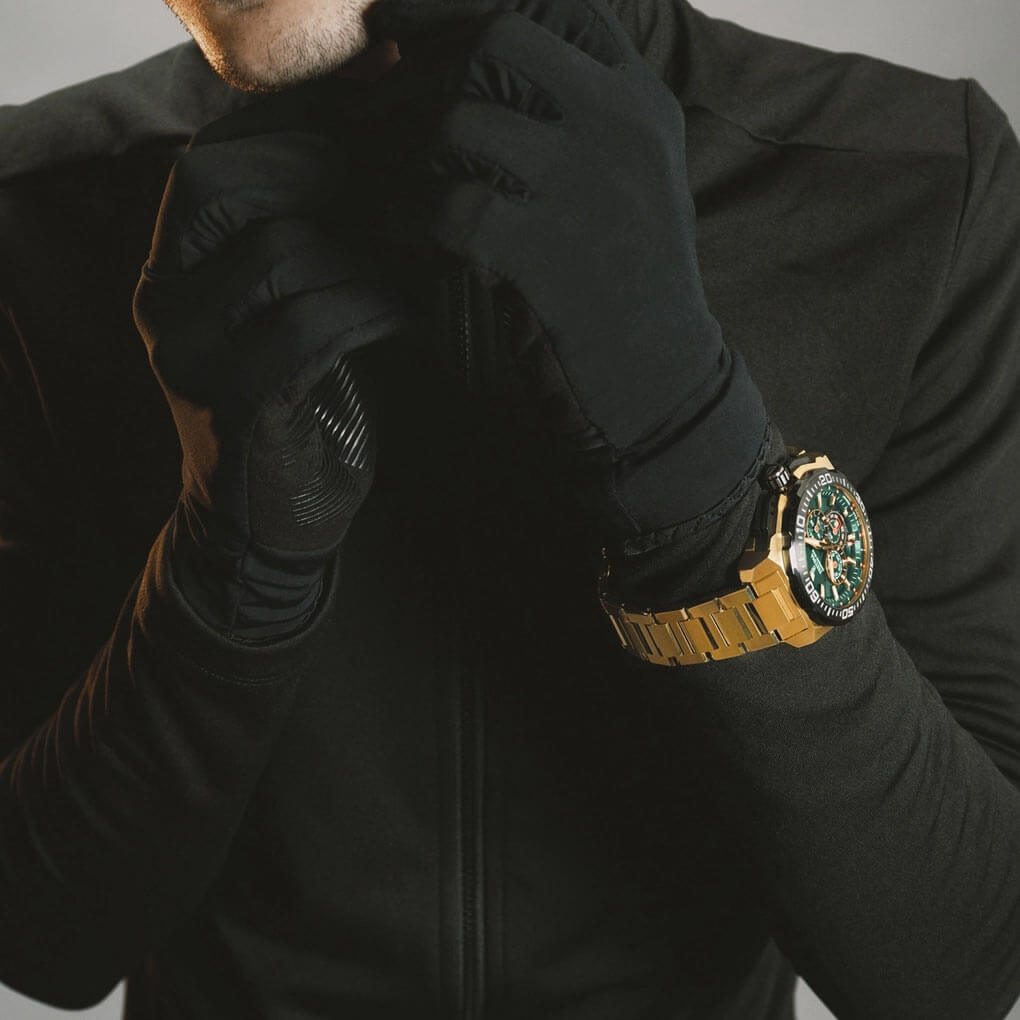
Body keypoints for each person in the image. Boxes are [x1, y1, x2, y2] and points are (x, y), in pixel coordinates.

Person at [0, 0, 1018, 1017]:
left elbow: (956, 968)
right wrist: (233, 574)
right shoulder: (38, 198)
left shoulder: (915, 183)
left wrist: (690, 442)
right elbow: (41, 942)